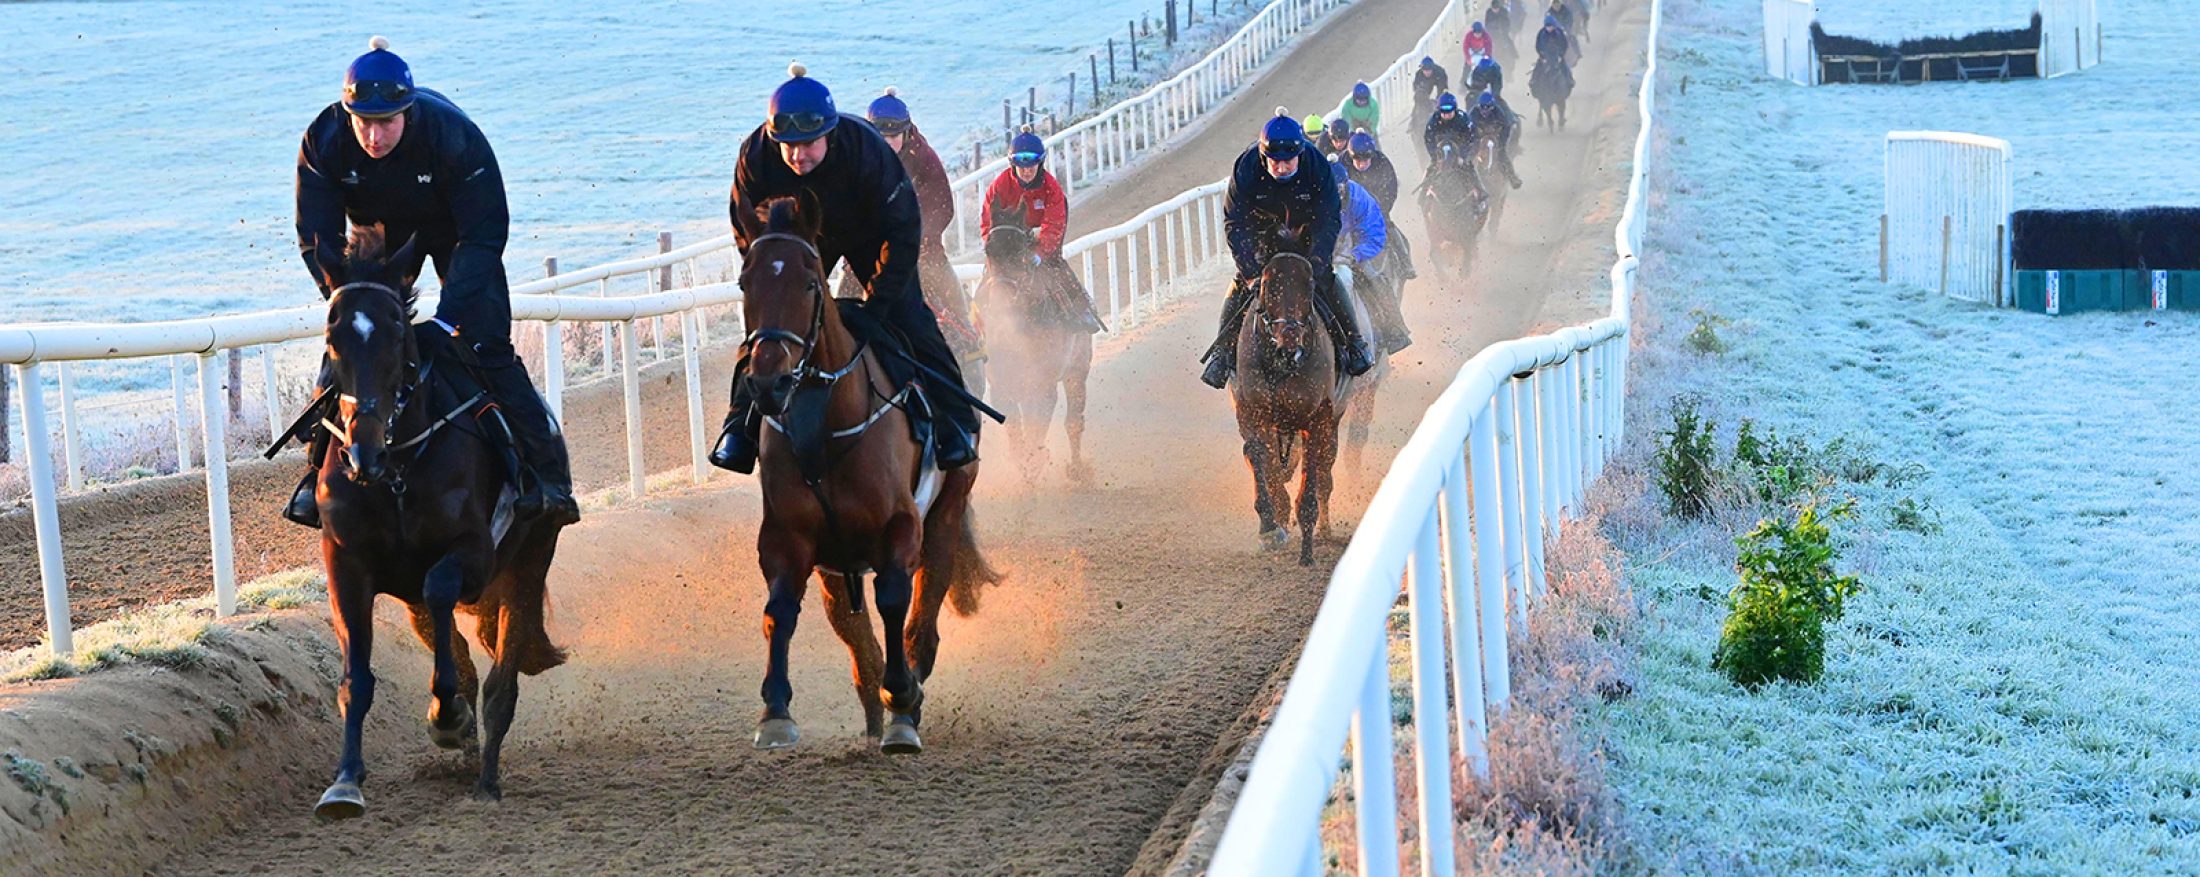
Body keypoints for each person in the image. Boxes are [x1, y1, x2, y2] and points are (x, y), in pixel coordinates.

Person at [288, 37, 577, 529]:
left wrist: (447, 319)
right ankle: (316, 476)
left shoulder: (454, 136)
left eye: (386, 124)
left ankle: (546, 476)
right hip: (375, 232)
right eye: (363, 123)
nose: (374, 137)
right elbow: (317, 241)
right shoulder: (324, 139)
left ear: (409, 110)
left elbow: (485, 234)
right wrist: (346, 301)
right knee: (357, 346)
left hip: (455, 232)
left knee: (485, 346)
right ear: (347, 113)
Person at [710, 63, 980, 473]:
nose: (798, 155)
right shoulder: (755, 157)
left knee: (912, 317)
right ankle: (739, 427)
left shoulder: (866, 151)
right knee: (768, 328)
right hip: (799, 238)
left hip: (871, 232)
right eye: (788, 145)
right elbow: (747, 231)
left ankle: (955, 423)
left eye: (809, 144)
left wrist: (878, 307)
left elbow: (904, 231)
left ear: (829, 133)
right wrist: (770, 279)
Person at [1199, 110, 1372, 390]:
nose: (1281, 168)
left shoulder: (1316, 166)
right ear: (1263, 156)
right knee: (1239, 286)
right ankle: (1222, 353)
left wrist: (1317, 260)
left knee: (1328, 280)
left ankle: (1354, 343)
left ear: (1300, 154)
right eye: (1275, 162)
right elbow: (1235, 222)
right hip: (1260, 238)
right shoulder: (1246, 167)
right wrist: (1251, 271)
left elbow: (1329, 217)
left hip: (1307, 234)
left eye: (1288, 162)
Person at [864, 87, 983, 365]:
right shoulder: (861, 155)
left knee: (955, 301)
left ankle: (970, 350)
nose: (888, 141)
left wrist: (911, 241)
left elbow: (942, 207)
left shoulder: (924, 158)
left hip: (922, 252)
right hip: (868, 255)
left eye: (893, 135)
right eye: (881, 135)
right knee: (838, 301)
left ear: (906, 132)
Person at [979, 130, 1104, 333]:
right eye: (1021, 164)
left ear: (1040, 163)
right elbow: (987, 221)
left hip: (1040, 239)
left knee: (1056, 268)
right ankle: (974, 328)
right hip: (1009, 241)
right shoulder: (1000, 185)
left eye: (1032, 163)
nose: (1027, 170)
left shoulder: (1051, 188)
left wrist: (1039, 254)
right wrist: (993, 248)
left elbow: (1054, 226)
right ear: (1013, 163)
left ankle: (1082, 311)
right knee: (987, 284)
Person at [1332, 162, 1409, 355]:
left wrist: (1356, 254)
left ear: (1345, 185)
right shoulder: (1309, 195)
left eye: (1339, 190)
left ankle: (1393, 329)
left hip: (1351, 249)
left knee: (1373, 278)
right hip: (1317, 251)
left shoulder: (1359, 199)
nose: (1335, 195)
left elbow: (1374, 234)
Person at [1344, 132, 1415, 283]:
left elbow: (1391, 189)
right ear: (1351, 157)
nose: (1362, 164)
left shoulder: (1382, 162)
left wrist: (1382, 210)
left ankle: (1405, 261)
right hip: (1349, 210)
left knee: (1389, 228)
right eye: (1357, 160)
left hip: (1377, 208)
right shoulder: (1343, 163)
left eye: (1365, 160)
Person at [1468, 90, 1524, 189]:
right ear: (1478, 106)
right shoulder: (1473, 113)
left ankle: (1512, 178)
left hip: (1495, 135)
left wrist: (1501, 143)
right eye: (1482, 108)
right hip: (1479, 136)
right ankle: (1464, 178)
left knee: (1502, 154)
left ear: (1492, 107)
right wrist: (1474, 140)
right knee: (1470, 154)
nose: (1485, 111)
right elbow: (1469, 128)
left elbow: (1506, 127)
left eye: (1488, 108)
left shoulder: (1499, 112)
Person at [1422, 91, 1475, 164]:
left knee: (1471, 172)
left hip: (1459, 152)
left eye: (1449, 112)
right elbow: (1428, 138)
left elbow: (1470, 137)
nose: (1446, 115)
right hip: (1440, 153)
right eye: (1443, 112)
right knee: (1429, 172)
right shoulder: (1434, 119)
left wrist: (1463, 156)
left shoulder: (1463, 119)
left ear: (1455, 109)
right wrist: (1434, 156)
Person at [1410, 56, 1449, 124]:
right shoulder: (1419, 74)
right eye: (1425, 70)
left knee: (1443, 98)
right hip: (1425, 88)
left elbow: (1442, 88)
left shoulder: (1440, 72)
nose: (1427, 72)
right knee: (1420, 99)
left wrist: (1438, 99)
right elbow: (1416, 88)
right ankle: (1413, 122)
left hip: (1439, 81)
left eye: (1429, 70)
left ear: (1433, 69)